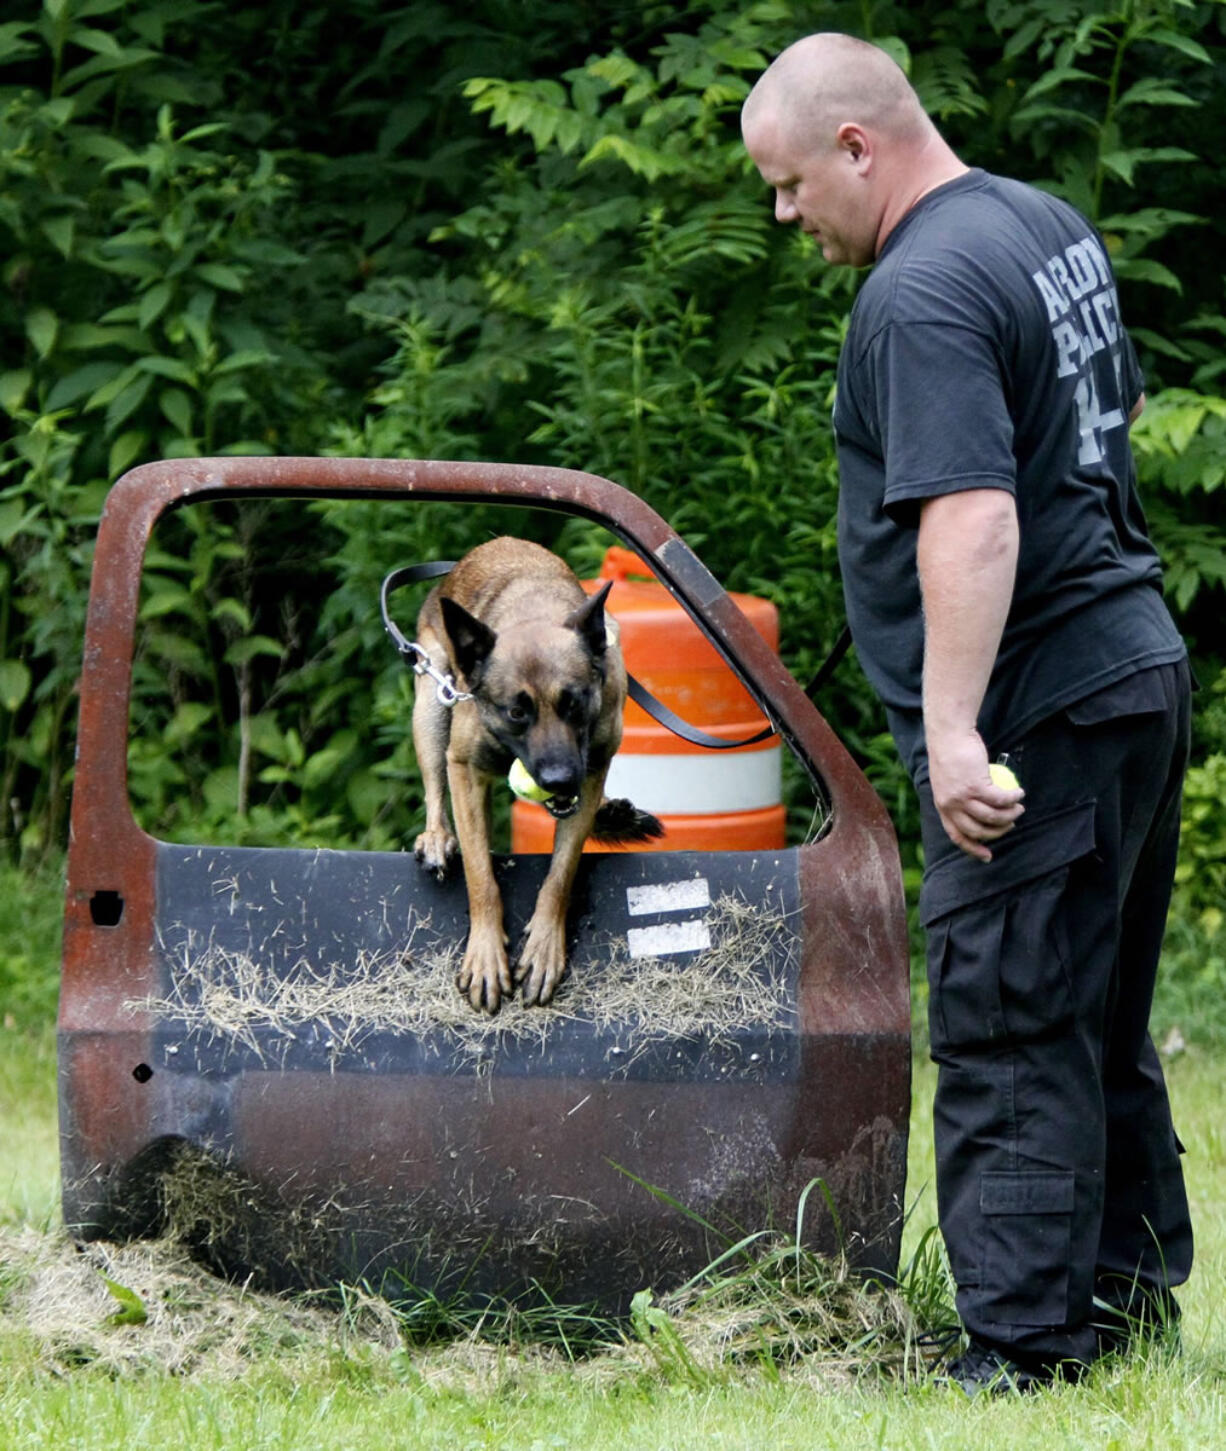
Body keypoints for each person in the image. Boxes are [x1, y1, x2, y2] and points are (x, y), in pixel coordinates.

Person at [742, 33, 1193, 1394]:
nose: (782, 215)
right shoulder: (1034, 225)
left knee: (1007, 1020)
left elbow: (976, 517)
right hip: (1128, 666)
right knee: (1093, 1011)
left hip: (1035, 705)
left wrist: (949, 732)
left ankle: (1018, 1350)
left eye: (786, 183)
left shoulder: (919, 290)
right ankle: (1121, 1301)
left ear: (856, 148)